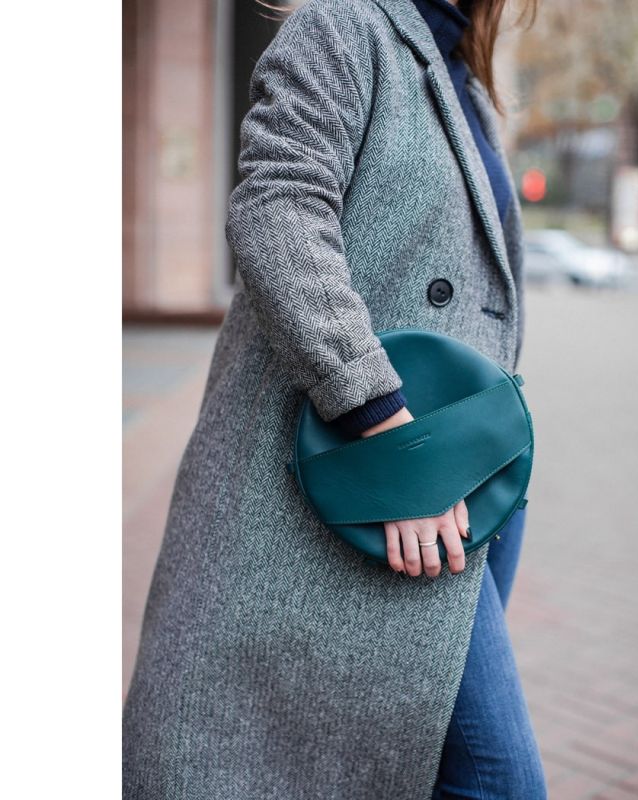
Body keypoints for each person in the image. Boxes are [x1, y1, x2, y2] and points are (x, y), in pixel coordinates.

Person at [122, 0, 546, 797]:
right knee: (499, 781)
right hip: (376, 480)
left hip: (465, 485)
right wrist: (389, 433)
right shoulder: (343, 26)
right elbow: (278, 210)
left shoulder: (465, 79)